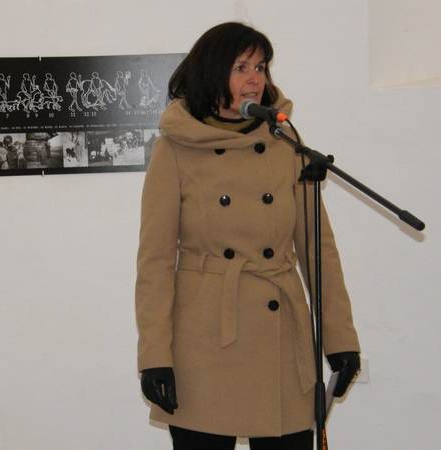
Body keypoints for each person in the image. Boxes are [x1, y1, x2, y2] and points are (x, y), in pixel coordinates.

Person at [134, 22, 361, 450]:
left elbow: (319, 250)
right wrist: (155, 357)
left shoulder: (286, 143)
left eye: (261, 67)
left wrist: (340, 338)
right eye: (241, 67)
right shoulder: (175, 148)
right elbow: (155, 263)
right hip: (204, 346)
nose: (255, 78)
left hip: (280, 341)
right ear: (212, 72)